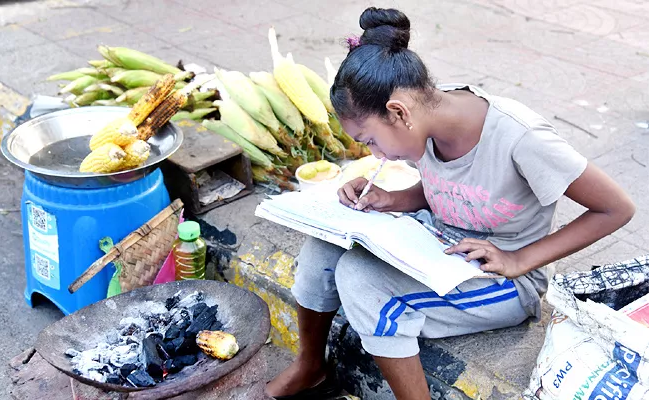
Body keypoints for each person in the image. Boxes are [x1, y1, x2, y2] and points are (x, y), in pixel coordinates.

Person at [265, 7, 636, 400]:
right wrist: (391, 199)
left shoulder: (521, 138)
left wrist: (520, 260)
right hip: (441, 246)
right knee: (323, 248)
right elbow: (452, 190)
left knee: (361, 280)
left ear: (398, 112)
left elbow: (616, 208)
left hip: (504, 280)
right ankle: (310, 366)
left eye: (370, 140)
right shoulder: (428, 118)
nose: (373, 155)